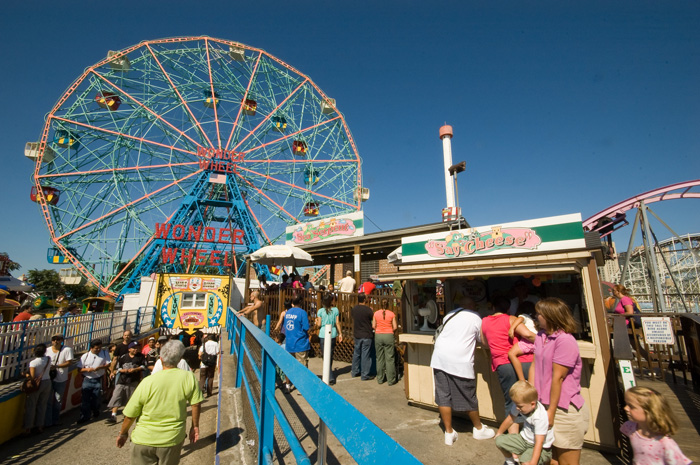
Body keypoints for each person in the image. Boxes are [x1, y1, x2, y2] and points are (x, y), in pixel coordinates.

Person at [117, 340, 203, 464]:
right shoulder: (188, 377)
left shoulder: (147, 381)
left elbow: (131, 414)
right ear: (179, 360)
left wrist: (123, 434)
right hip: (171, 439)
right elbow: (195, 404)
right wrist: (194, 426)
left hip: (143, 439)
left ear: (161, 359)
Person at [528, 298, 589, 465]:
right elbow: (534, 365)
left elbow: (558, 378)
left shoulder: (565, 340)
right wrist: (531, 396)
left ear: (550, 316)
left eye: (539, 314)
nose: (536, 316)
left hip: (563, 408)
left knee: (567, 460)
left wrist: (551, 412)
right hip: (543, 403)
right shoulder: (541, 336)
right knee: (551, 458)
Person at [430, 296, 495, 445]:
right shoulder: (475, 318)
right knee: (468, 395)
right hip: (459, 360)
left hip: (439, 357)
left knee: (443, 394)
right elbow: (483, 340)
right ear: (472, 305)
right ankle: (478, 428)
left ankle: (449, 432)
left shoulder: (449, 315)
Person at [481, 296, 535, 433]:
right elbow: (528, 335)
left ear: (493, 307)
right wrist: (545, 338)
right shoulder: (511, 319)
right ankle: (534, 434)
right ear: (509, 308)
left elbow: (485, 343)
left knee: (511, 402)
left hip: (502, 364)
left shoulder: (485, 321)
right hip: (525, 362)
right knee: (532, 398)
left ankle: (513, 437)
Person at [621, 386, 691, 465]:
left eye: (631, 406)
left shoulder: (666, 444)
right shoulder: (630, 428)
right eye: (626, 404)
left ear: (650, 412)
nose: (625, 408)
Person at [495, 381, 554, 465]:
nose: (517, 408)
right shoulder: (522, 405)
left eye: (520, 406)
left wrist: (533, 462)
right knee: (499, 441)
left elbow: (539, 442)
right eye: (516, 405)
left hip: (541, 447)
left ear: (532, 404)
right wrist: (499, 433)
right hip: (524, 440)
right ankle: (510, 462)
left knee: (525, 462)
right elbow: (510, 418)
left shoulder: (539, 417)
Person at [107, 341, 146, 423]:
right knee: (117, 396)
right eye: (134, 348)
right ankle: (113, 415)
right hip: (122, 380)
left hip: (133, 380)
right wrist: (123, 370)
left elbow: (143, 366)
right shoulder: (123, 357)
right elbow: (118, 368)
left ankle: (127, 414)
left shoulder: (141, 357)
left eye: (137, 348)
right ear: (129, 349)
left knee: (130, 398)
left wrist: (136, 369)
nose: (136, 349)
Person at [77, 339, 111, 424]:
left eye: (100, 348)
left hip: (98, 378)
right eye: (96, 348)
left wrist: (100, 368)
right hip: (87, 378)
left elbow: (108, 364)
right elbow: (79, 369)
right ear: (91, 348)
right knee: (85, 399)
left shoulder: (104, 353)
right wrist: (88, 369)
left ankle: (96, 410)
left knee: (96, 397)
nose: (98, 350)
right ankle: (84, 416)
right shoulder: (85, 356)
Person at [282, 296, 310, 391]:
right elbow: (306, 327)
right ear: (301, 302)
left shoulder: (287, 312)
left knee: (289, 365)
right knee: (302, 365)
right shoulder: (302, 313)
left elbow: (286, 326)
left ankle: (288, 385)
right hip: (300, 343)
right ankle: (301, 388)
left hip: (289, 342)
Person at [45, 334, 74, 427]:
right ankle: (48, 422)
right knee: (48, 400)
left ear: (61, 340)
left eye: (58, 339)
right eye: (54, 339)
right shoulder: (47, 350)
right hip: (49, 377)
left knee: (58, 400)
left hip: (61, 378)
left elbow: (69, 362)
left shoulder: (67, 350)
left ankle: (55, 420)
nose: (55, 341)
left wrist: (57, 366)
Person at [23, 343, 52, 435]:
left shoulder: (33, 363)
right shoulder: (48, 359)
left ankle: (28, 427)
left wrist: (25, 375)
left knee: (31, 406)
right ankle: (39, 426)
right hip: (47, 382)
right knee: (42, 405)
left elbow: (32, 376)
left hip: (37, 385)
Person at [508, 300, 539, 382]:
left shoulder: (524, 316)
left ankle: (521, 379)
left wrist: (512, 328)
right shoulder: (535, 319)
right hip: (537, 343)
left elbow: (519, 319)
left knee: (511, 354)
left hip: (528, 342)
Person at [316, 294, 343, 385]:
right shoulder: (335, 310)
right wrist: (340, 333)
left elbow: (319, 324)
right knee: (330, 354)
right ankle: (329, 374)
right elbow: (337, 323)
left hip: (323, 333)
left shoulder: (320, 311)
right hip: (333, 332)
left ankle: (329, 375)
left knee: (325, 354)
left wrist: (316, 322)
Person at [372, 298, 397, 386]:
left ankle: (380, 378)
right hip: (389, 335)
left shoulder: (376, 313)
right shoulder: (391, 314)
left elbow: (373, 325)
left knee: (379, 358)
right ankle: (391, 379)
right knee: (390, 358)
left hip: (378, 335)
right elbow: (395, 327)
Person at [351, 294, 375, 381]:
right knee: (366, 355)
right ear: (364, 300)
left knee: (356, 353)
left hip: (357, 334)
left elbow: (353, 317)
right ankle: (364, 374)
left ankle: (354, 371)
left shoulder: (354, 309)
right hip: (366, 334)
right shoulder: (368, 310)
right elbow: (373, 319)